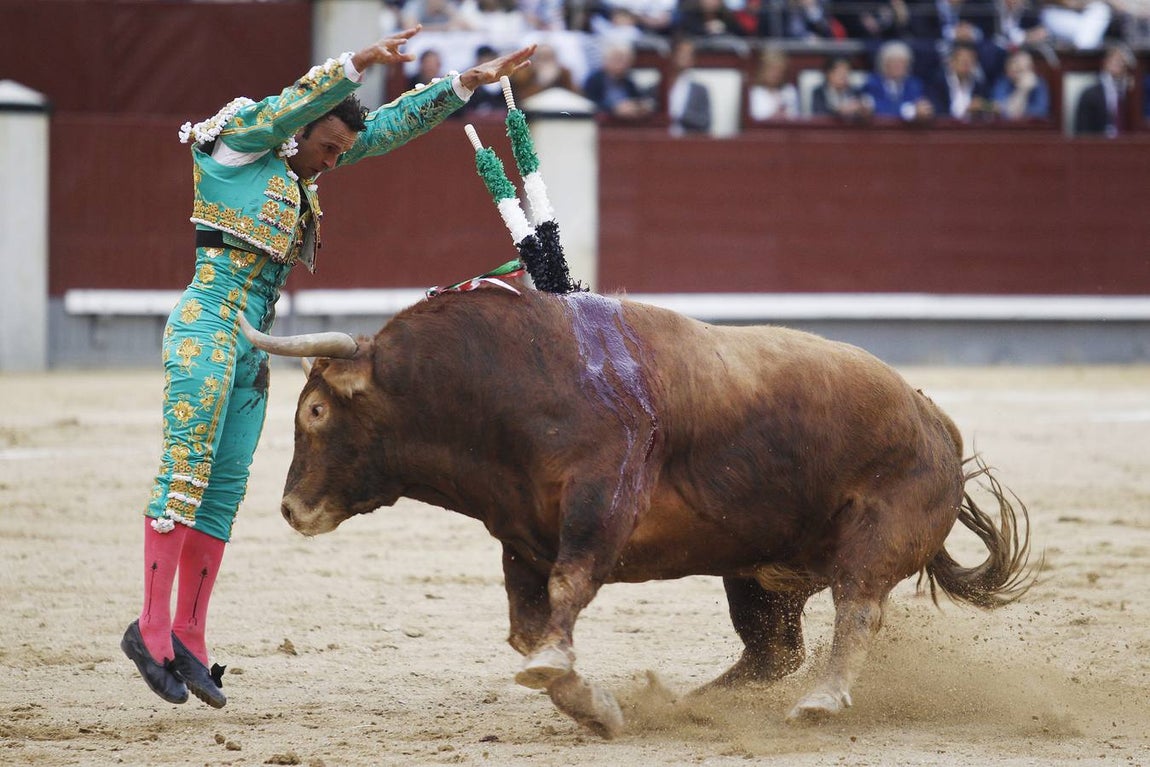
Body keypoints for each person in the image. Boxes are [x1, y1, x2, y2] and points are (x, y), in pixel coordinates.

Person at [120, 27, 534, 709]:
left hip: (254, 340)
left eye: (341, 152)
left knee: (223, 487)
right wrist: (359, 63)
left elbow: (390, 126)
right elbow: (290, 106)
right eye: (328, 147)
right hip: (208, 325)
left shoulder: (300, 164)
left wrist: (465, 83)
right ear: (299, 131)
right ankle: (151, 627)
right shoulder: (244, 142)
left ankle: (190, 634)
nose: (335, 161)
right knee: (185, 473)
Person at [583, 39, 655, 120]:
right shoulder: (594, 80)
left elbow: (639, 99)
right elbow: (589, 105)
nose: (620, 63)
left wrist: (639, 107)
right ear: (605, 60)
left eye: (624, 59)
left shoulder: (629, 82)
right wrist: (614, 109)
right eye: (616, 59)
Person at [862, 40, 934, 121]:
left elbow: (921, 106)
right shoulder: (872, 83)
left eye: (903, 63)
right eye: (894, 63)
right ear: (884, 65)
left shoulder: (914, 84)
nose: (899, 67)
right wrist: (910, 111)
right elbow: (877, 109)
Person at [1075, 42, 1136, 136]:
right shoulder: (1089, 94)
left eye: (1124, 62)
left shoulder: (1132, 94)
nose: (1121, 65)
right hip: (1098, 146)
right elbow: (1083, 132)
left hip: (1128, 145)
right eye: (1116, 60)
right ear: (1106, 63)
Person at [928, 40, 992, 120]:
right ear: (952, 63)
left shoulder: (979, 84)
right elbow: (936, 110)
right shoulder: (939, 82)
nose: (967, 65)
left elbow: (991, 106)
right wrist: (966, 111)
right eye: (963, 61)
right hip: (946, 129)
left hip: (972, 129)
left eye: (970, 62)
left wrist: (984, 106)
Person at [666, 36, 713, 135]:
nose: (685, 57)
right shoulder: (656, 88)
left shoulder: (700, 90)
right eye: (681, 53)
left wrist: (678, 115)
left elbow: (705, 122)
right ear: (672, 55)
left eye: (689, 54)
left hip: (689, 142)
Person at [990, 48, 1050, 120]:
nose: (1016, 70)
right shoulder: (1002, 82)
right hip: (1006, 129)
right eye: (1016, 66)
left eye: (1023, 69)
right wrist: (1022, 90)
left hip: (1032, 129)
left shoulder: (1039, 83)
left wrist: (1017, 110)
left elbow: (1041, 111)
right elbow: (1003, 112)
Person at [810, 55, 874, 120]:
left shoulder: (855, 91)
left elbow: (867, 109)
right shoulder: (819, 92)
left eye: (846, 72)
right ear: (828, 74)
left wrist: (863, 110)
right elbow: (819, 114)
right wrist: (838, 111)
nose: (843, 76)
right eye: (839, 72)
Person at [748, 46, 800, 121]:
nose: (776, 74)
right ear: (763, 71)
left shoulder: (789, 91)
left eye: (779, 71)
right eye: (772, 70)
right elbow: (754, 120)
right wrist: (774, 116)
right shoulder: (754, 93)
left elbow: (795, 117)